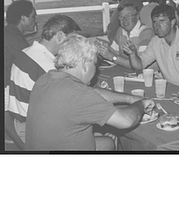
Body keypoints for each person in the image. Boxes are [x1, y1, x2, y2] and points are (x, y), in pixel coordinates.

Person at [25, 34, 155, 151]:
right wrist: (141, 104)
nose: (96, 70)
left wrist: (130, 99)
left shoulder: (46, 79)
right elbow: (126, 120)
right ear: (85, 65)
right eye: (95, 64)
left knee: (107, 143)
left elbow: (92, 92)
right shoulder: (78, 94)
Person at [6, 15, 81, 150]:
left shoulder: (27, 52)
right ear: (59, 36)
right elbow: (74, 102)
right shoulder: (47, 67)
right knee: (102, 139)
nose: (73, 46)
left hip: (20, 122)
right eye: (72, 41)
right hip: (33, 130)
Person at [96, 2, 155, 69]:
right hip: (127, 73)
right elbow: (113, 53)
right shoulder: (120, 31)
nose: (124, 20)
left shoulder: (146, 32)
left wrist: (112, 57)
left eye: (128, 16)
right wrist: (101, 50)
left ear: (137, 16)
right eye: (121, 17)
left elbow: (139, 64)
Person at [4, 0, 37, 118]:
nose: (35, 20)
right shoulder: (14, 38)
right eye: (33, 16)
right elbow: (33, 62)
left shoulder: (9, 33)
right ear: (23, 18)